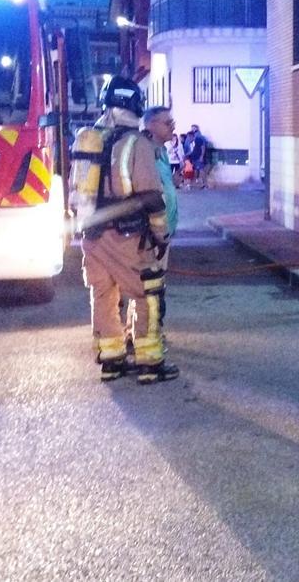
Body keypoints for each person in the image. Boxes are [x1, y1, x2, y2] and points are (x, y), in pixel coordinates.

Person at [71, 76, 180, 384]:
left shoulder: (89, 140)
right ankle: (149, 363)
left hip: (92, 236)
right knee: (148, 295)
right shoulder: (137, 143)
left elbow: (76, 191)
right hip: (129, 238)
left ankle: (112, 360)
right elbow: (150, 196)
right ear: (135, 104)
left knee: (103, 296)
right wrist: (160, 235)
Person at [183, 124, 209, 189]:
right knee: (193, 171)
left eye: (189, 137)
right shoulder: (190, 142)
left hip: (198, 158)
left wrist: (201, 157)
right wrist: (186, 156)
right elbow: (191, 150)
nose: (188, 139)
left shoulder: (198, 139)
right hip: (192, 158)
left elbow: (203, 148)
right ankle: (192, 184)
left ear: (192, 136)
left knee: (201, 170)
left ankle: (205, 184)